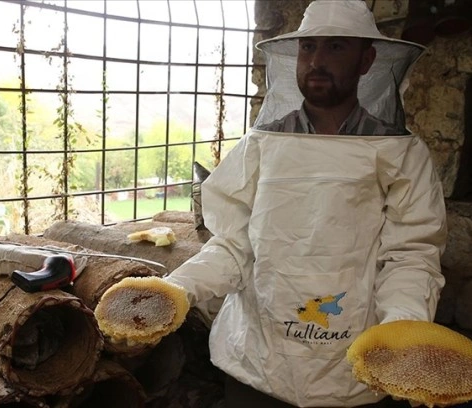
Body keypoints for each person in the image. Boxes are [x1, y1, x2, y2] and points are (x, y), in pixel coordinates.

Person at [163, 1, 447, 407]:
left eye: (335, 48)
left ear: (367, 59)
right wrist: (177, 289)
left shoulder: (400, 153)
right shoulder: (260, 145)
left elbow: (411, 255)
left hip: (352, 368)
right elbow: (232, 245)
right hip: (256, 362)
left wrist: (402, 329)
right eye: (308, 47)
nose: (316, 61)